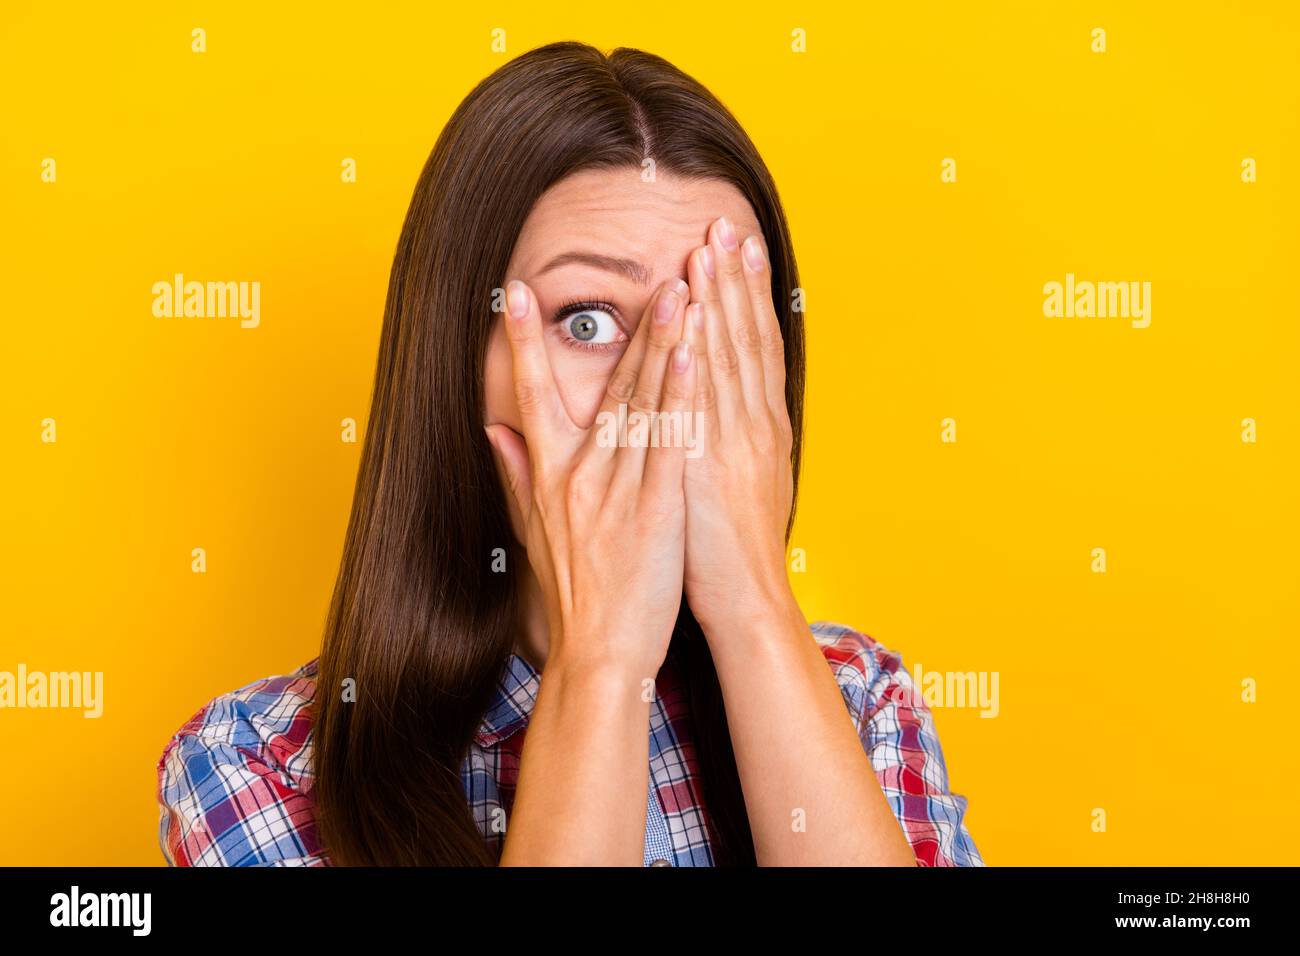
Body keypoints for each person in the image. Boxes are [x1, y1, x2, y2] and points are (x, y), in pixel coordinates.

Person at [156, 40, 984, 867]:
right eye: (586, 320)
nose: (662, 390)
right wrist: (602, 664)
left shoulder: (861, 703)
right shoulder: (258, 767)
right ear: (456, 362)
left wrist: (755, 607)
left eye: (712, 322)